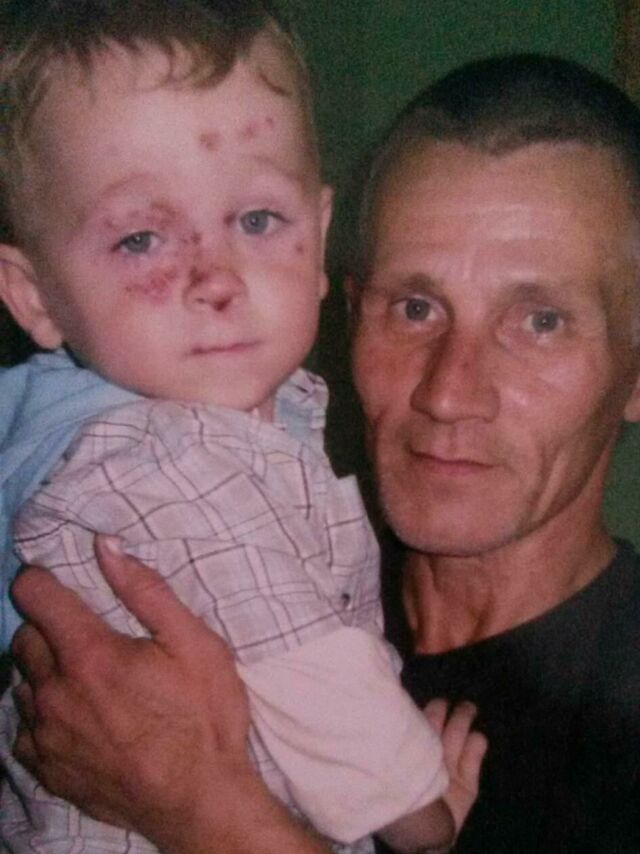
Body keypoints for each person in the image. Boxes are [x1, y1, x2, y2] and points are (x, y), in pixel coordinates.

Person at [8, 51, 640, 852]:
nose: (448, 393)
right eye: (414, 308)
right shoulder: (222, 540)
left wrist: (207, 810)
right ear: (347, 314)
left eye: (540, 322)